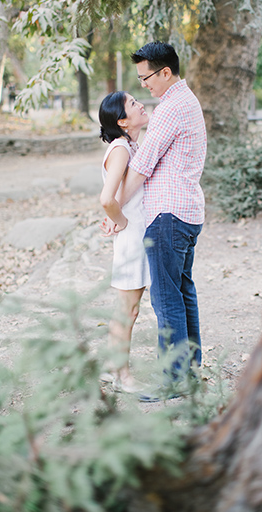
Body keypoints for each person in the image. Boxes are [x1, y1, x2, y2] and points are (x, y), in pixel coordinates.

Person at [107, 41, 207, 400]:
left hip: (168, 215)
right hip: (188, 212)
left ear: (165, 72)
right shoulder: (187, 102)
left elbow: (141, 167)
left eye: (146, 77)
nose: (143, 85)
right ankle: (189, 373)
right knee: (183, 293)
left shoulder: (170, 110)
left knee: (166, 299)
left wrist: (113, 208)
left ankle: (175, 380)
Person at [97, 91, 151, 394]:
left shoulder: (130, 145)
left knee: (127, 309)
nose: (140, 104)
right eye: (132, 104)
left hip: (136, 235)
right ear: (121, 121)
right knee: (127, 310)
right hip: (131, 237)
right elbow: (107, 198)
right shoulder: (120, 148)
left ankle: (111, 369)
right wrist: (121, 221)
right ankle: (122, 375)